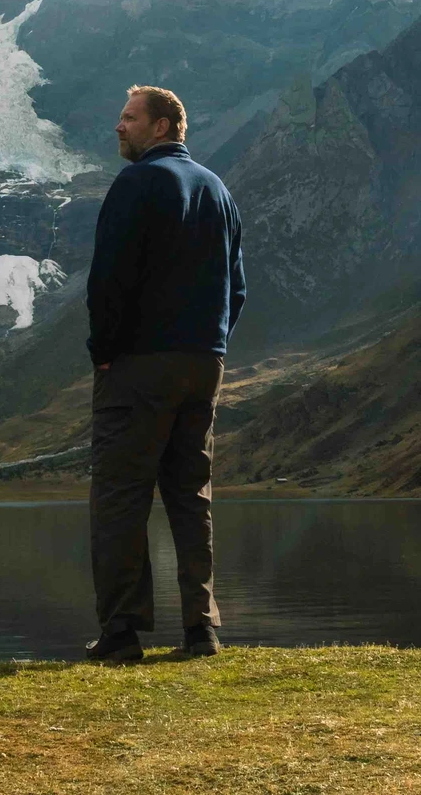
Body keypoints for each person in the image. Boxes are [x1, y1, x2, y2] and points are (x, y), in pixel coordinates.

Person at [83, 84, 245, 663]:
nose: (118, 128)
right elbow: (238, 286)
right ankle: (201, 630)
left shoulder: (136, 183)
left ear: (161, 126)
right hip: (204, 363)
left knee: (121, 496)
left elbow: (109, 278)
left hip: (138, 365)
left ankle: (122, 633)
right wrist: (212, 344)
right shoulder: (218, 190)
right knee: (189, 493)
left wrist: (104, 349)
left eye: (128, 118)